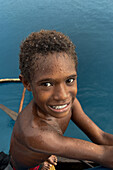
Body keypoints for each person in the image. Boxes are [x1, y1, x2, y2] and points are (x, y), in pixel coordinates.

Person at [9, 30, 113, 170]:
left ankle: (45, 156)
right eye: (47, 84)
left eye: (69, 80)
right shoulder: (34, 132)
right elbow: (103, 155)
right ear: (27, 83)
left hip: (43, 151)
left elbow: (101, 137)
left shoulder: (70, 104)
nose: (63, 95)